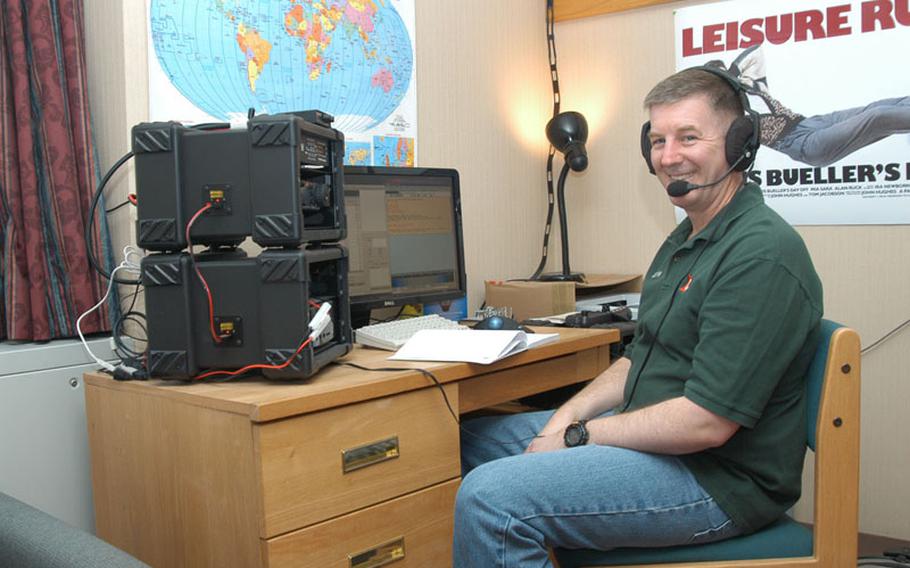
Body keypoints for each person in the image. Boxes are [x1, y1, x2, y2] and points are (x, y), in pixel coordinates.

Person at [452, 67, 824, 567]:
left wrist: (578, 436)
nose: (668, 157)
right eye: (657, 140)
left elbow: (704, 424)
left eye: (688, 137)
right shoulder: (686, 239)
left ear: (740, 142)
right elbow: (641, 357)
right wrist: (568, 415)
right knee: (458, 442)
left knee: (491, 498)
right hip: (656, 439)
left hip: (718, 478)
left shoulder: (760, 254)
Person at [710, 44, 910, 167]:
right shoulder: (729, 112)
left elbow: (756, 51)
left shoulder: (752, 84)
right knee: (877, 116)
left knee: (883, 105)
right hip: (802, 144)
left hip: (809, 123)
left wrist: (734, 73)